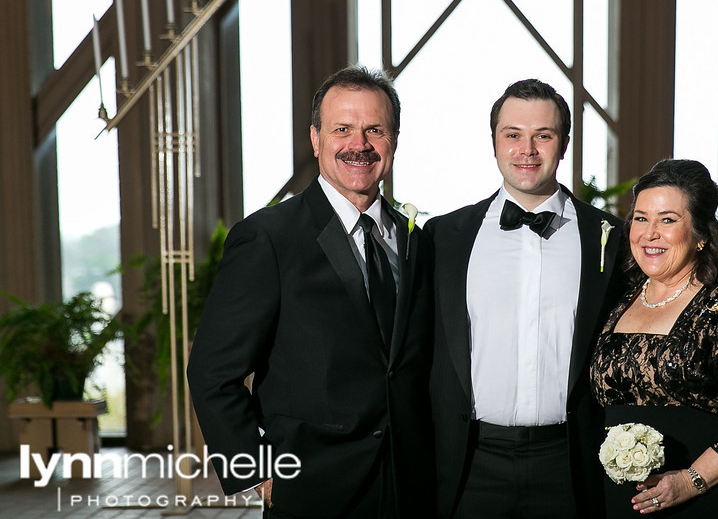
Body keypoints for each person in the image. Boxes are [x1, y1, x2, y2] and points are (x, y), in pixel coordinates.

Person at [187, 66, 434, 518]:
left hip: (411, 488)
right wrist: (258, 472)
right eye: (342, 129)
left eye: (374, 130)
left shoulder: (417, 239)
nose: (358, 145)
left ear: (394, 141)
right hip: (310, 489)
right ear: (316, 139)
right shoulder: (267, 237)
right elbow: (211, 373)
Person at [426, 79, 628, 519]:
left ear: (565, 144)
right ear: (494, 142)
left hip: (572, 462)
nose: (527, 149)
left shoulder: (610, 239)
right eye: (513, 135)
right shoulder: (444, 237)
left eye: (544, 135)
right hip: (468, 462)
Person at [590, 158, 718, 517]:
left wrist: (690, 481)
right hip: (624, 503)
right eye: (641, 218)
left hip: (714, 498)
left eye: (667, 220)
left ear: (700, 234)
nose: (649, 233)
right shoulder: (617, 302)